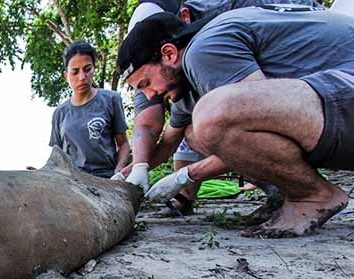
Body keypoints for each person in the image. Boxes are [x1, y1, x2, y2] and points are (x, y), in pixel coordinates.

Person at [117, 6, 354, 237]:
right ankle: (290, 193)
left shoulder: (203, 49)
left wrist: (187, 175)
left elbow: (252, 116)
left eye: (145, 83)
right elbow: (167, 144)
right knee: (194, 131)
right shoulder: (187, 87)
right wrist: (131, 173)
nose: (149, 96)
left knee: (211, 119)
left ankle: (312, 195)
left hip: (344, 91)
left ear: (168, 53)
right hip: (332, 105)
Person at [49, 41, 130, 179]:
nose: (82, 77)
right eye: (75, 72)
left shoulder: (111, 100)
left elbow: (123, 144)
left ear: (94, 68)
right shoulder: (59, 113)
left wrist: (119, 170)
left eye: (87, 69)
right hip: (73, 182)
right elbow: (56, 156)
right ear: (66, 75)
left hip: (106, 178)